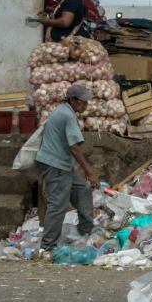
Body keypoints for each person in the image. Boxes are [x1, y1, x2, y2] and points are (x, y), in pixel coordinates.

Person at [36, 83, 99, 248]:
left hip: (62, 164)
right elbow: (75, 148)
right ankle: (47, 246)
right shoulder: (67, 115)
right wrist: (89, 171)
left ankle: (86, 232)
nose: (85, 105)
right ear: (72, 100)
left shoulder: (65, 111)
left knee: (83, 191)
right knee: (58, 204)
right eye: (83, 102)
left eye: (86, 102)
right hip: (55, 164)